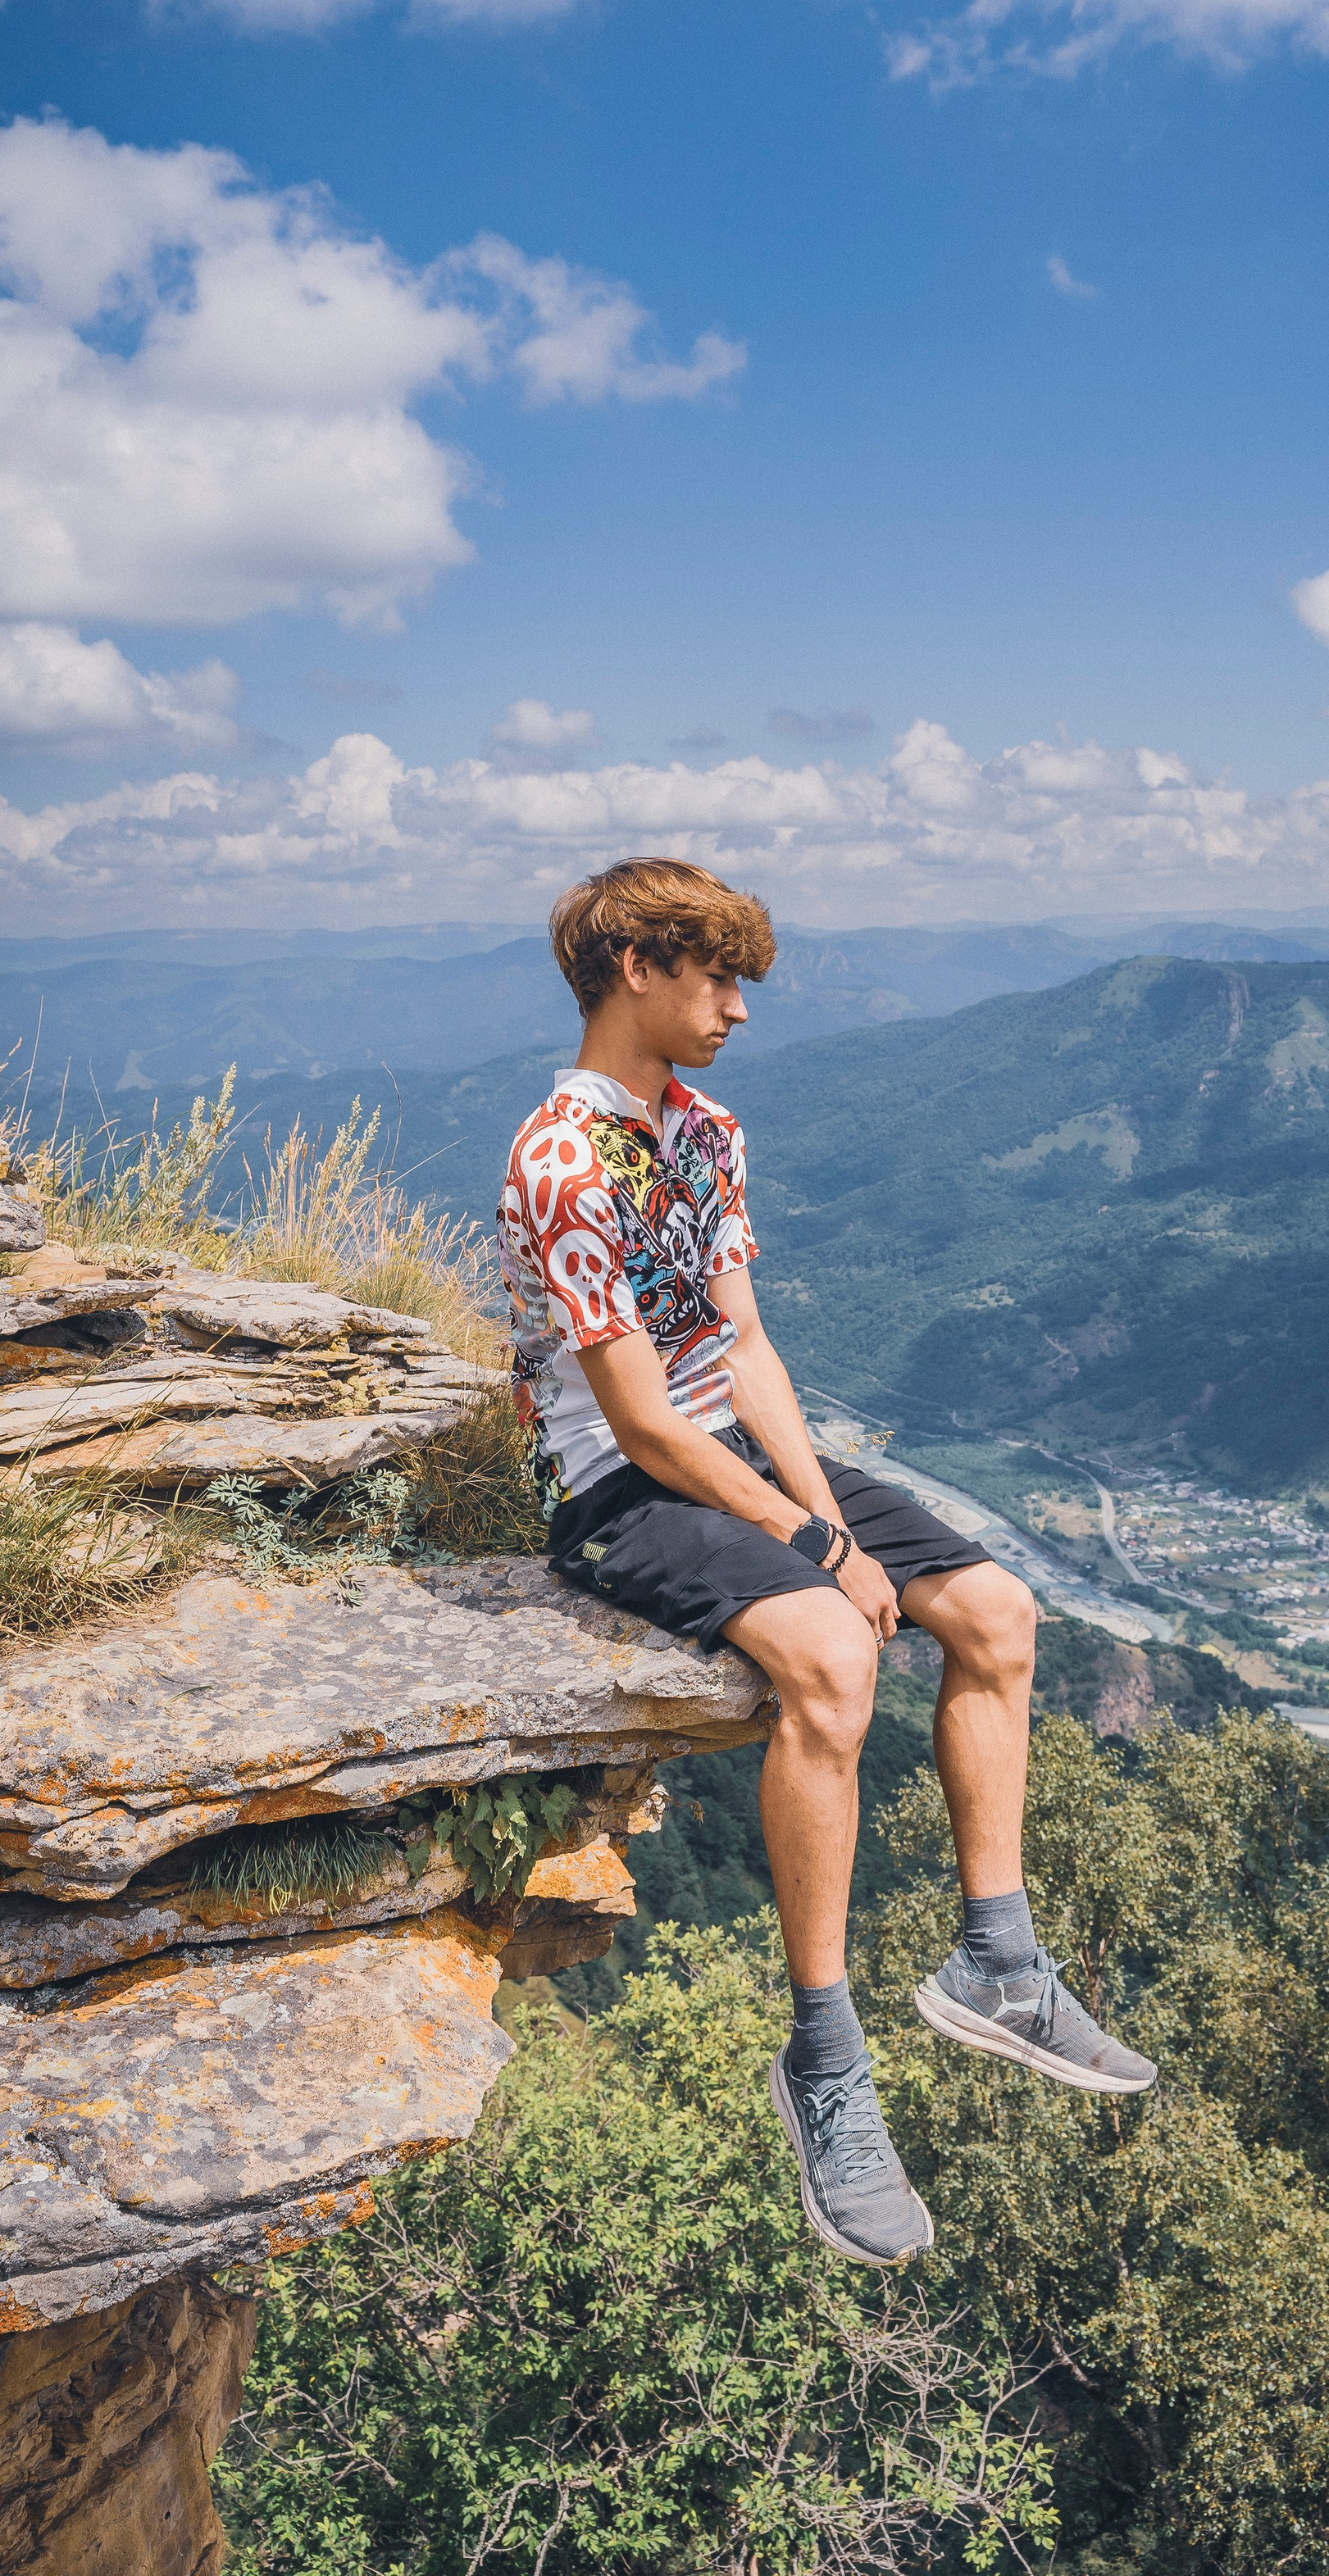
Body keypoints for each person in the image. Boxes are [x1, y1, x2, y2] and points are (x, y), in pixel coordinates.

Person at [497, 855, 1156, 2268]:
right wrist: (807, 1550)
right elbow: (637, 1420)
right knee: (835, 1658)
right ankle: (824, 2056)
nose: (738, 1006)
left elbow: (743, 1349)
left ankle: (998, 1959)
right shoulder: (562, 1158)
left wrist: (830, 1517)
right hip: (620, 1487)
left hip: (723, 1444)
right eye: (717, 977)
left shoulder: (708, 1132)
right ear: (637, 971)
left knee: (996, 1612)